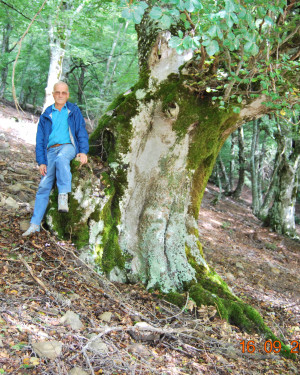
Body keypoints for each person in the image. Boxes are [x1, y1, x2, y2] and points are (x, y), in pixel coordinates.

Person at [22, 81, 89, 237]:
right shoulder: (46, 114)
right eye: (57, 92)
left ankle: (63, 195)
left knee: (61, 159)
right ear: (53, 94)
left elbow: (81, 132)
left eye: (63, 93)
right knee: (44, 186)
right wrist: (41, 161)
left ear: (68, 95)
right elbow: (40, 140)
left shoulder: (73, 110)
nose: (60, 95)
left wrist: (83, 151)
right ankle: (34, 224)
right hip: (50, 151)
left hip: (68, 147)